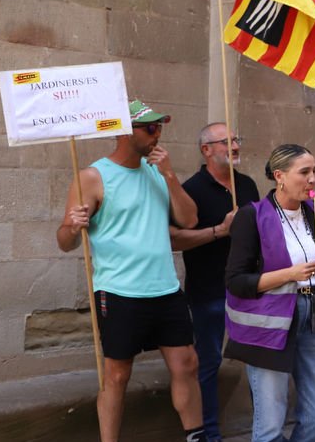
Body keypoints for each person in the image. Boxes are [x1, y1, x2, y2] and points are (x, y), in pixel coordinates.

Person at [57, 100, 206, 442]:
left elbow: (190, 220)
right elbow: (65, 241)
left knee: (187, 364)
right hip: (119, 291)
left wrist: (169, 174)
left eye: (160, 127)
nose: (158, 135)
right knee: (117, 377)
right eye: (151, 128)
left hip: (165, 288)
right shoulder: (92, 176)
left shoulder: (157, 172)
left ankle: (197, 436)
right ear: (125, 131)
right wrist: (72, 226)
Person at [225, 144, 315, 442]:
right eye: (304, 172)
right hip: (270, 323)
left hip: (314, 315)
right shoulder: (250, 216)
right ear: (279, 176)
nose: (312, 179)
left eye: (314, 172)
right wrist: (288, 276)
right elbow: (235, 280)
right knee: (270, 422)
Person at [175, 122, 261, 442]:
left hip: (249, 288)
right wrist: (219, 231)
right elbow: (174, 239)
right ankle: (209, 433)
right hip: (209, 290)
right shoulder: (190, 190)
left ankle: (263, 430)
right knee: (208, 363)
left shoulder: (248, 185)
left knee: (258, 361)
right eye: (225, 141)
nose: (234, 146)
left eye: (236, 139)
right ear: (206, 150)